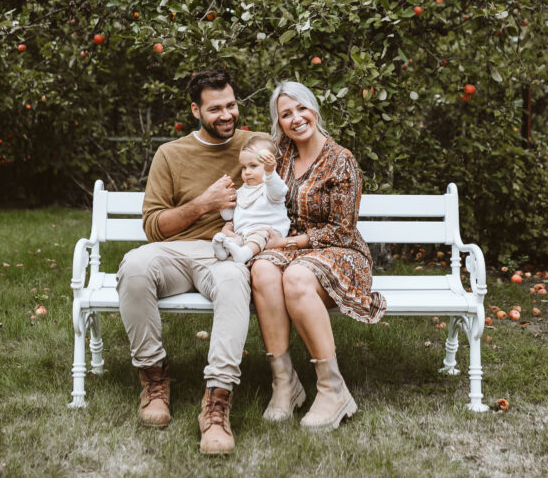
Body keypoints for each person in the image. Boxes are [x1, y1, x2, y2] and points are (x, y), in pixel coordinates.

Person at [115, 67, 268, 455]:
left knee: (235, 283)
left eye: (231, 105)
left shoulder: (255, 146)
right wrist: (205, 204)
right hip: (175, 253)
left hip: (224, 255)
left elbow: (301, 143)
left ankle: (216, 403)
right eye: (215, 108)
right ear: (196, 111)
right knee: (134, 265)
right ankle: (154, 379)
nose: (227, 115)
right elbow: (153, 227)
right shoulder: (171, 154)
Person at [249, 80, 387, 430]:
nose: (296, 118)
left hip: (340, 250)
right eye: (286, 114)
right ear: (278, 123)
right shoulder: (279, 157)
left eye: (301, 108)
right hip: (290, 246)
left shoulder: (342, 160)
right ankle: (285, 384)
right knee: (263, 270)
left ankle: (332, 389)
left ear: (315, 109)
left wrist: (289, 244)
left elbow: (343, 228)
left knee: (295, 277)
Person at [212, 136, 290, 264]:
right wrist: (223, 201)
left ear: (271, 166)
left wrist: (270, 173)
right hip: (243, 235)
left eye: (253, 166)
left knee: (259, 236)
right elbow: (228, 216)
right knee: (230, 239)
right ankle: (223, 252)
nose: (247, 172)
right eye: (244, 167)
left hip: (268, 233)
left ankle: (244, 254)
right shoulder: (241, 191)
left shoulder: (270, 188)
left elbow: (276, 191)